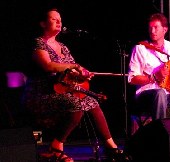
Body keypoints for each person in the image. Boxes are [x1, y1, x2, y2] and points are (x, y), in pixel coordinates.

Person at [21, 7, 128, 162]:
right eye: (53, 19)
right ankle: (56, 147)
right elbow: (48, 66)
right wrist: (74, 67)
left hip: (60, 91)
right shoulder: (38, 43)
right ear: (43, 24)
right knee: (76, 104)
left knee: (91, 101)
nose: (59, 22)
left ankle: (111, 147)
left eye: (60, 19)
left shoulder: (63, 47)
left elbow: (73, 69)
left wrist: (83, 73)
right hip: (41, 94)